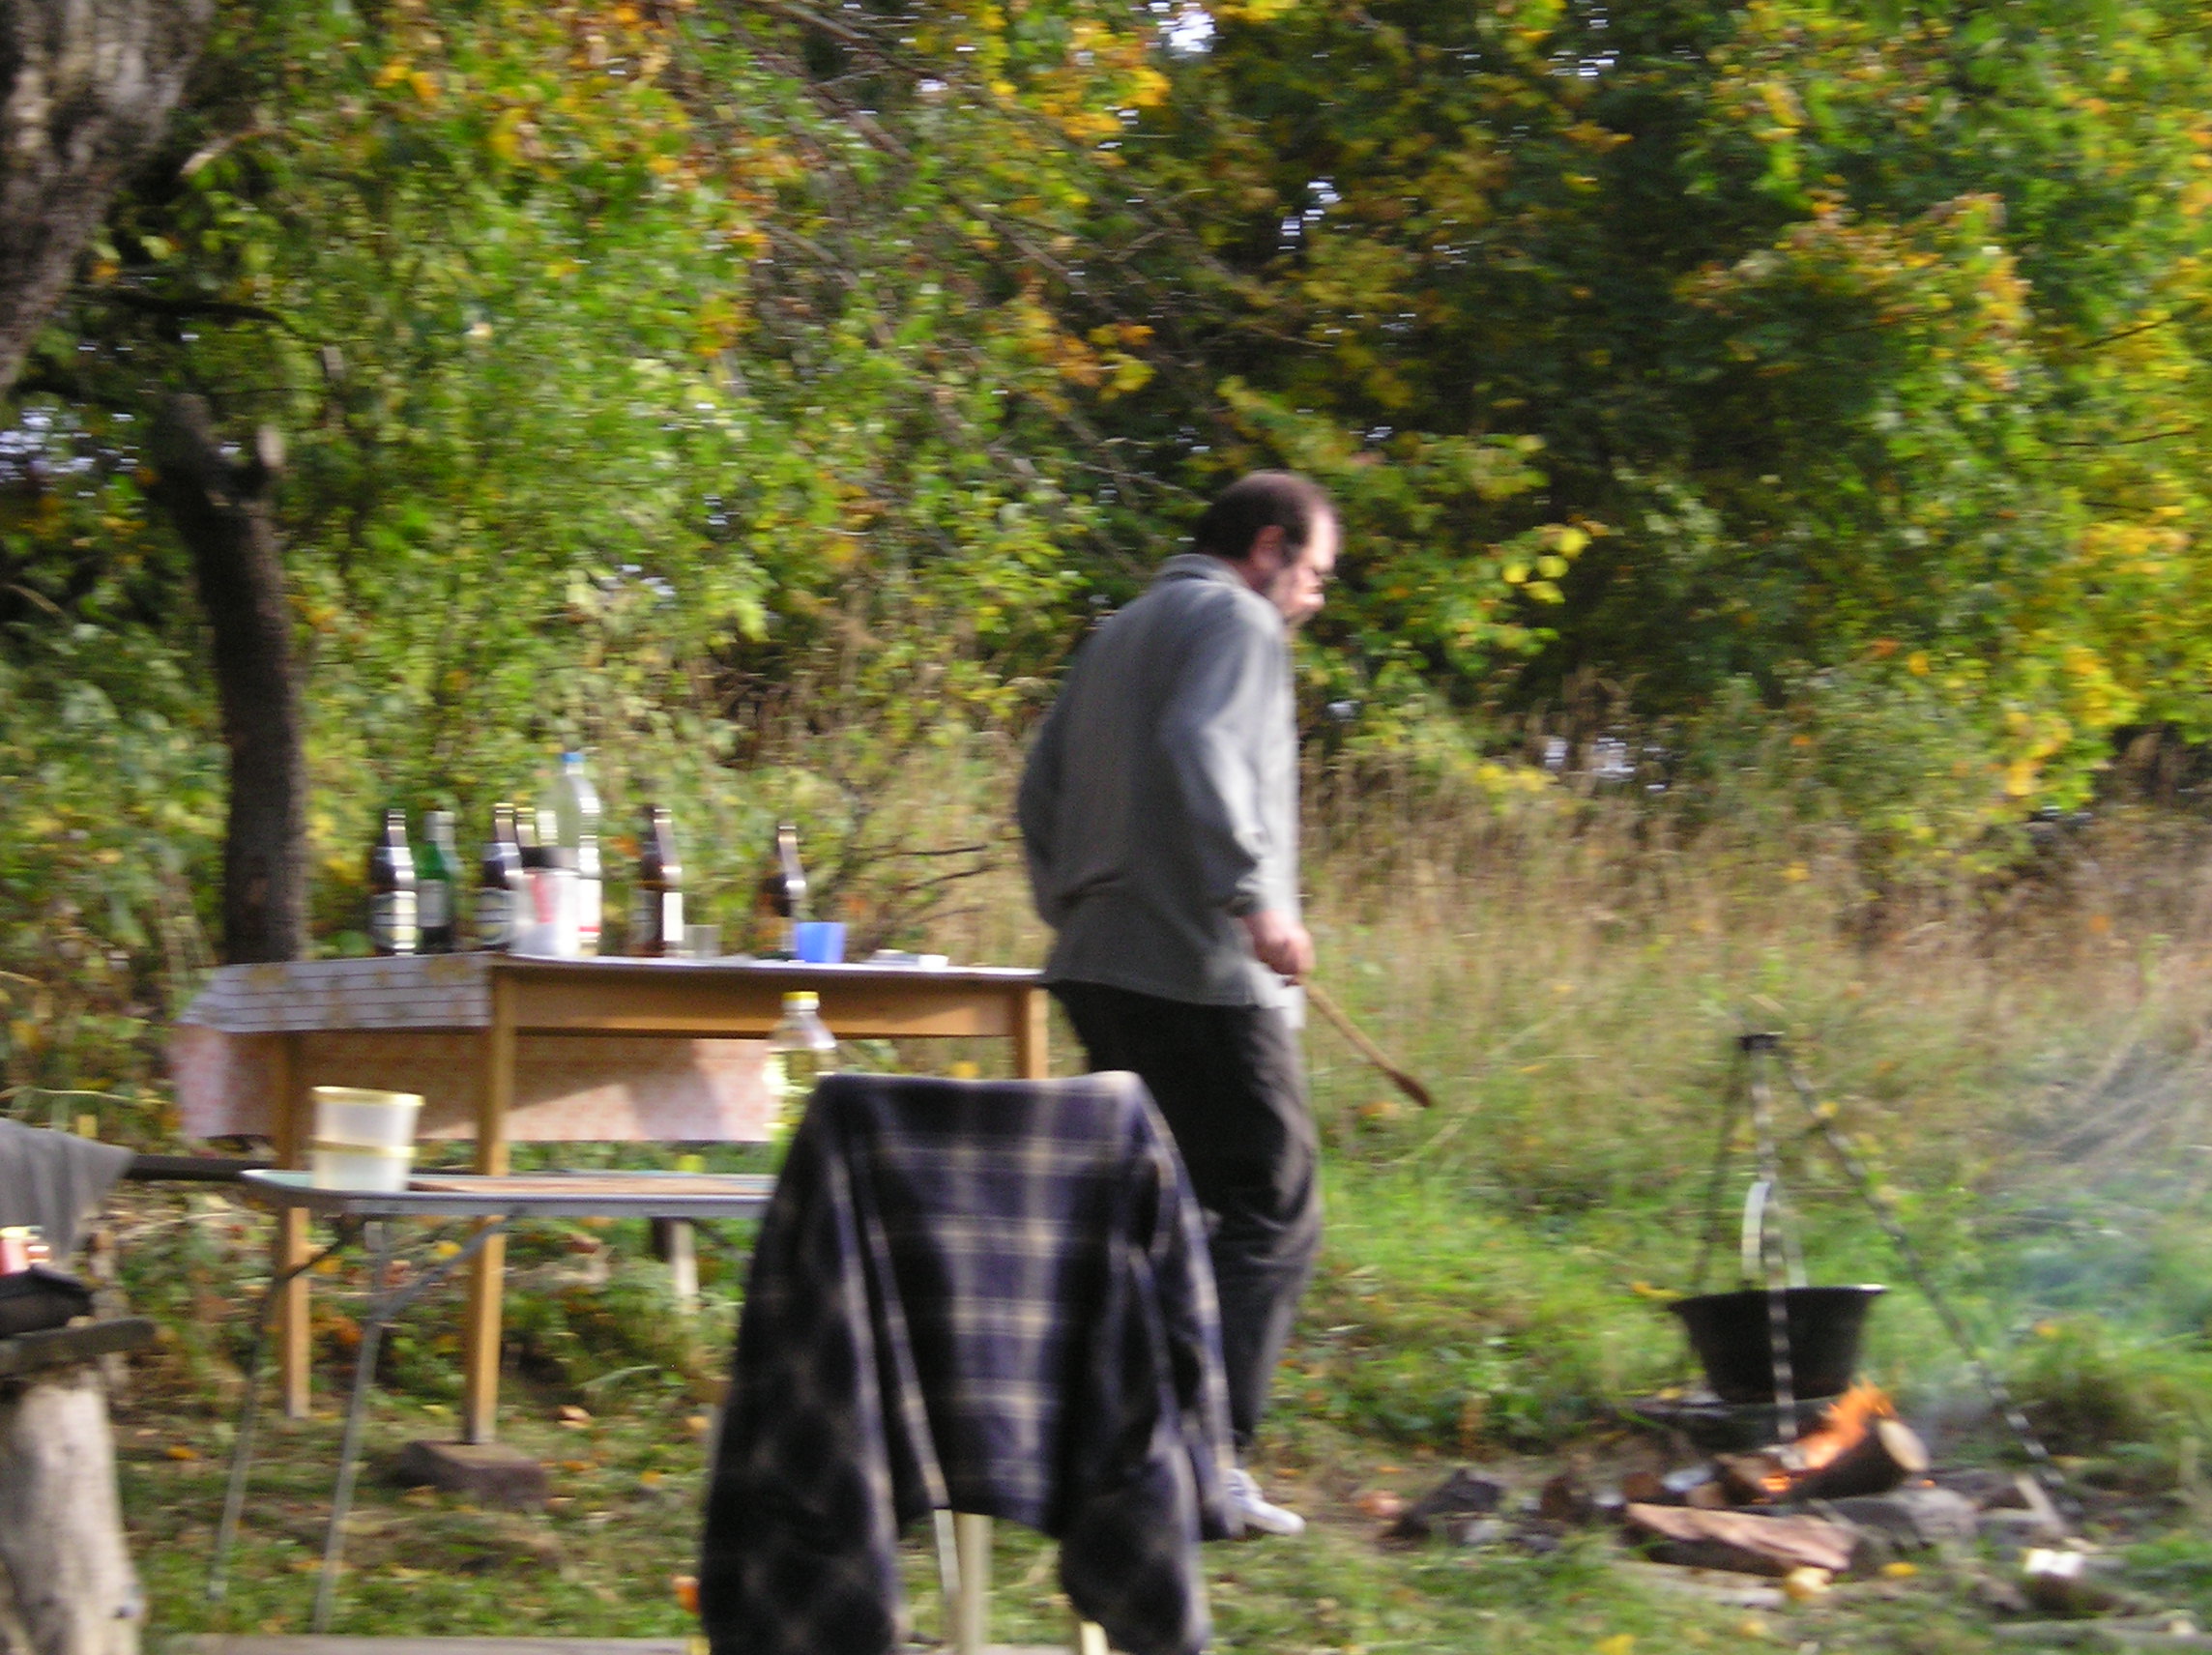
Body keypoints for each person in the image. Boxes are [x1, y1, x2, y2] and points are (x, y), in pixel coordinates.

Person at [1017, 469, 1338, 1538]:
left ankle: (1117, 1451)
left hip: (1097, 965)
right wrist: (1255, 898)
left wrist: (1072, 902)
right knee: (1272, 1207)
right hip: (1199, 971)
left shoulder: (1118, 632)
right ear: (1267, 547)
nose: (1314, 596)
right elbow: (1202, 742)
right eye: (1314, 571)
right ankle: (1204, 1463)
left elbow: (1036, 790)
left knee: (1167, 1215)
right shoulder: (1238, 621)